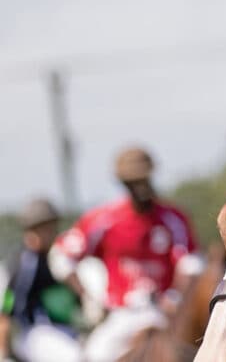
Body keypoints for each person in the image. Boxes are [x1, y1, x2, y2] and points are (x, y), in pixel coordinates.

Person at [51, 147, 202, 362]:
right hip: (121, 316)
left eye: (143, 180)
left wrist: (176, 296)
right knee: (91, 355)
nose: (139, 188)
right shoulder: (104, 219)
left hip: (163, 313)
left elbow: (192, 265)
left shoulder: (173, 218)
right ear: (123, 184)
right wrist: (88, 298)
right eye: (132, 182)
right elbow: (61, 258)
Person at [0, 198, 83, 362]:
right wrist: (3, 350)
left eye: (53, 227)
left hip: (63, 330)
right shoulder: (25, 264)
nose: (52, 233)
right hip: (33, 333)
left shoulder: (58, 259)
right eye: (46, 228)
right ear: (32, 231)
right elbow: (7, 304)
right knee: (73, 357)